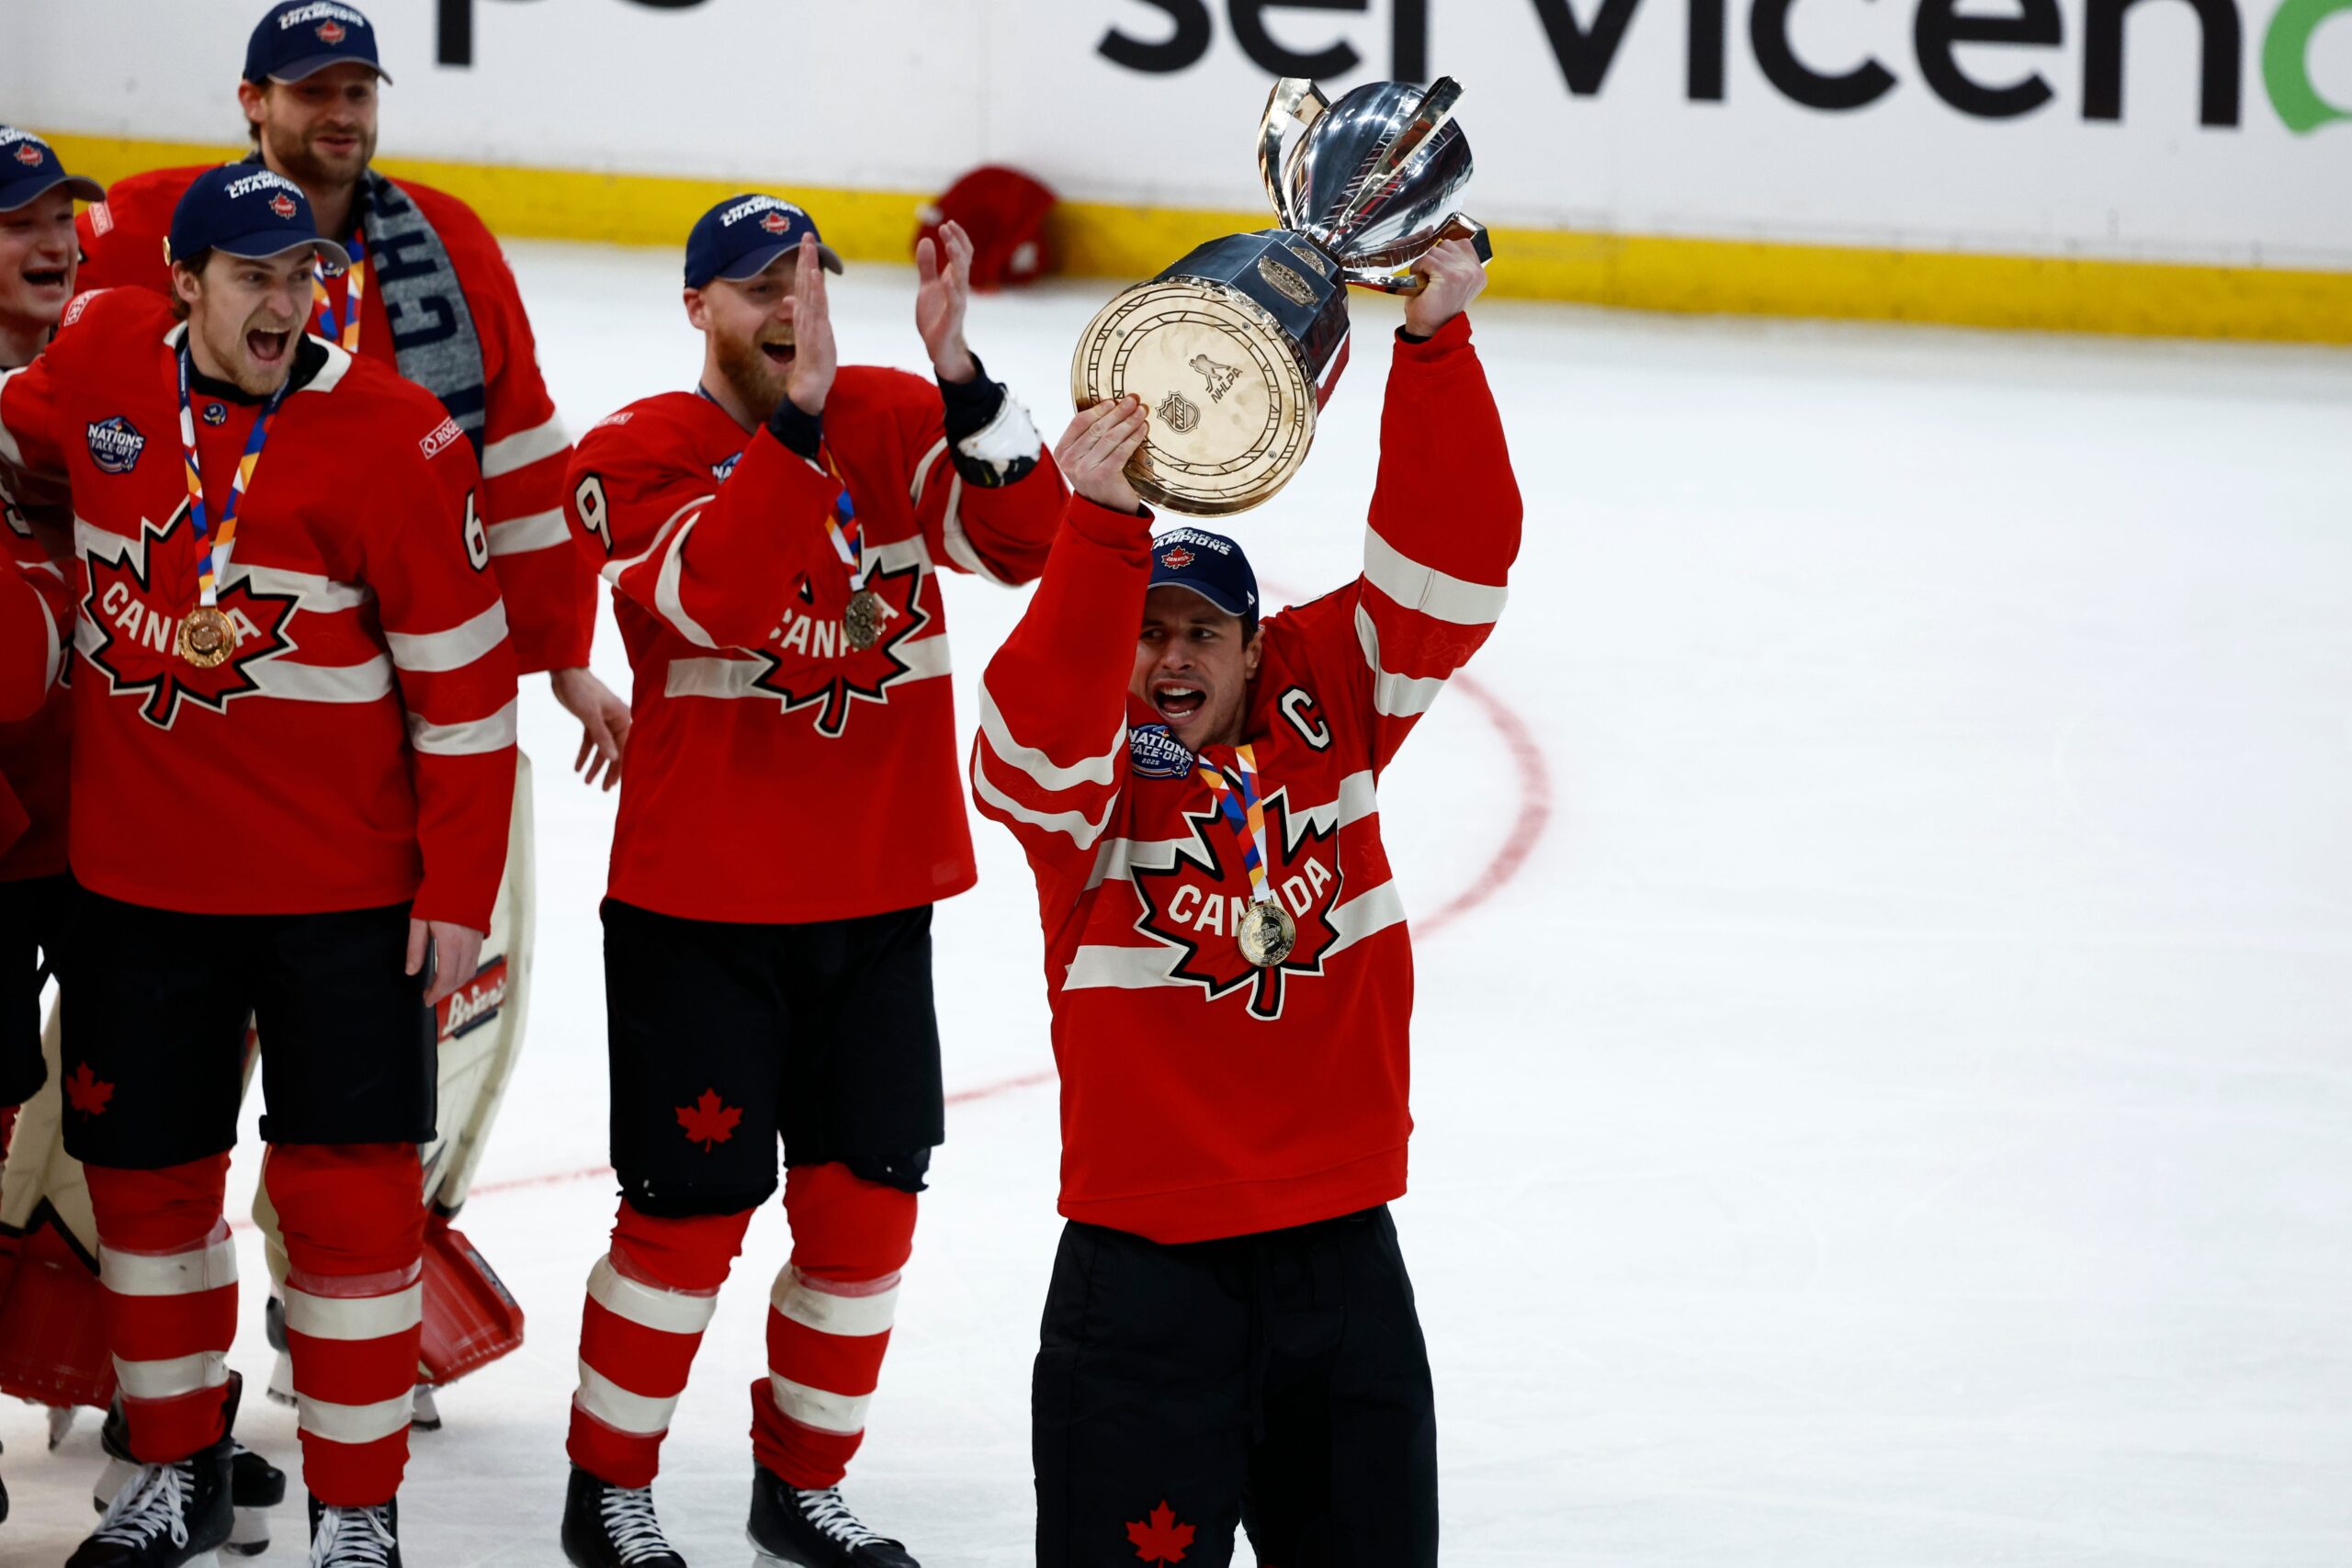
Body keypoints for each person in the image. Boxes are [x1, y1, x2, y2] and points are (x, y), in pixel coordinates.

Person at [63, 0, 614, 1425]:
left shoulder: (447, 242)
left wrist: (556, 654)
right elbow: (64, 399)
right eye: (312, 91)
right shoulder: (144, 227)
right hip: (189, 719)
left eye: (360, 87)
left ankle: (355, 1314)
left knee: (432, 1042)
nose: (342, 113)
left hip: (425, 714)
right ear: (252, 103)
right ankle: (135, 1354)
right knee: (147, 1083)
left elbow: (527, 447)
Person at [970, 239, 1517, 1568]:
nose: (1168, 657)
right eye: (1147, 630)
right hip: (1148, 1277)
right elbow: (1020, 755)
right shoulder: (1088, 785)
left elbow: (1452, 571)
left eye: (1201, 633)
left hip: (1342, 1254)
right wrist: (1100, 527)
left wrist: (1435, 342)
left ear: (1255, 646)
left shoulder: (1330, 700)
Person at [0, 164, 518, 1567]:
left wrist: (459, 896)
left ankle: (358, 1511)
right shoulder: (101, 358)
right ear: (183, 284)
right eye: (252, 279)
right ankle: (176, 1470)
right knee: (150, 1190)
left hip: (345, 904)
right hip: (137, 887)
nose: (284, 305)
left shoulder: (397, 439)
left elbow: (469, 699)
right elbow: (15, 436)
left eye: (301, 279)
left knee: (350, 1202)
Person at [553, 198, 1065, 1568]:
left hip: (877, 892)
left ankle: (804, 1486)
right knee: (685, 1217)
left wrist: (963, 378)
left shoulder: (897, 417)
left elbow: (1028, 545)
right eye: (755, 284)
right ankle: (608, 1489)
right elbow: (718, 592)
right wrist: (798, 430)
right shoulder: (633, 453)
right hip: (700, 907)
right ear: (697, 309)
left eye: (810, 278)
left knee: (866, 1213)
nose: (791, 304)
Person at [0, 123, 90, 1536]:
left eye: (62, 219)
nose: (51, 240)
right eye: (18, 224)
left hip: (121, 832)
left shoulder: (114, 391)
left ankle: (160, 1407)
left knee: (159, 1137)